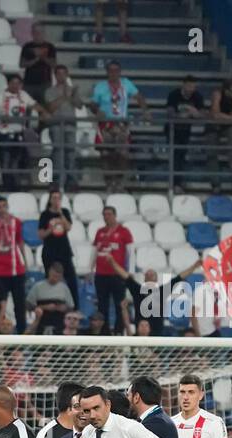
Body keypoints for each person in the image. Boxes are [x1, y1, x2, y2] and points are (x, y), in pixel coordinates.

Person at [89, 61, 149, 190]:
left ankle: (119, 180)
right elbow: (93, 104)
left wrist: (145, 111)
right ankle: (109, 181)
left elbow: (139, 97)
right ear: (107, 72)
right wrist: (97, 111)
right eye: (111, 70)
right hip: (105, 124)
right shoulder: (100, 86)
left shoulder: (126, 83)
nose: (113, 73)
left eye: (116, 70)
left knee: (122, 154)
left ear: (120, 72)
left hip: (121, 123)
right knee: (105, 154)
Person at [0, 74, 44, 191]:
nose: (15, 86)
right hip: (4, 133)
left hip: (19, 133)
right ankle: (7, 185)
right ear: (8, 84)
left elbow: (35, 105)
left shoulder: (23, 95)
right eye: (13, 83)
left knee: (17, 161)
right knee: (5, 161)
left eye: (18, 83)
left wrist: (45, 113)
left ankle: (16, 184)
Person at [0, 197, 27, 332]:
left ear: (8, 206)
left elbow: (20, 243)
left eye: (4, 206)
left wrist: (24, 262)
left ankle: (21, 334)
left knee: (20, 304)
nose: (2, 209)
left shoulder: (16, 223)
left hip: (15, 270)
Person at [92, 205, 133, 333]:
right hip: (101, 273)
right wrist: (90, 268)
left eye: (109, 214)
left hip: (117, 274)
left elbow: (130, 252)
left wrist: (129, 270)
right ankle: (104, 333)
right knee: (102, 305)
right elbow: (94, 251)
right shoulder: (100, 232)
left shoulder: (124, 231)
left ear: (115, 215)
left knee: (119, 305)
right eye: (104, 214)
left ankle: (118, 332)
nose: (106, 217)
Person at [166, 75, 206, 190]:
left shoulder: (197, 96)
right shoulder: (174, 95)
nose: (190, 89)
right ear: (183, 85)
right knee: (175, 155)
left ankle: (179, 181)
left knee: (182, 155)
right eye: (188, 86)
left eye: (193, 86)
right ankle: (174, 183)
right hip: (172, 129)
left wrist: (196, 113)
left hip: (185, 130)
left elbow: (202, 114)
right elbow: (170, 113)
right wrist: (184, 116)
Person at [27, 261, 76, 335]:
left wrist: (64, 308)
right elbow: (28, 305)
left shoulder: (64, 288)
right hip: (41, 321)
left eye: (58, 277)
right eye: (54, 276)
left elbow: (71, 307)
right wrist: (44, 307)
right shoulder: (38, 287)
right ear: (49, 272)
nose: (55, 279)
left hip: (59, 323)